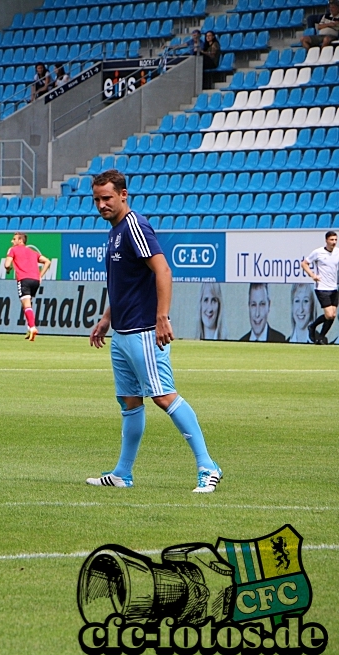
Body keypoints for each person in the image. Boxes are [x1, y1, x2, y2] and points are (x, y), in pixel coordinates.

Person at [86, 170, 222, 493]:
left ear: (123, 195)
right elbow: (124, 284)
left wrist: (163, 316)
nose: (102, 204)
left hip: (144, 330)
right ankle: (122, 473)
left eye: (107, 198)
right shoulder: (114, 231)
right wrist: (107, 318)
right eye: (97, 199)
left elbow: (162, 269)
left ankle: (208, 466)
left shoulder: (135, 225)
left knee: (163, 395)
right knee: (130, 401)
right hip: (122, 331)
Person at [2, 232, 51, 341]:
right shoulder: (32, 252)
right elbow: (47, 261)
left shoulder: (12, 250)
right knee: (26, 304)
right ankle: (29, 328)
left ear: (20, 241)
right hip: (35, 281)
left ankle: (32, 327)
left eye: (14, 239)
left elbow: (6, 264)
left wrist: (8, 268)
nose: (12, 241)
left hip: (24, 279)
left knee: (26, 304)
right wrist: (40, 276)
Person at [301, 229, 339, 344]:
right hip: (322, 287)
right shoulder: (318, 252)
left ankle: (321, 337)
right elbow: (304, 263)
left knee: (332, 315)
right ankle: (312, 327)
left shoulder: (337, 252)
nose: (334, 242)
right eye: (331, 240)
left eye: (336, 240)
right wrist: (312, 275)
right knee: (329, 314)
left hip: (334, 287)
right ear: (326, 240)